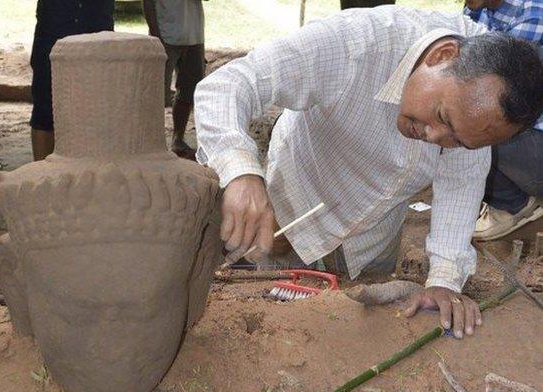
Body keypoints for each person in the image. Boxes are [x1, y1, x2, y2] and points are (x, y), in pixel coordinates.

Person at [194, 6, 543, 338]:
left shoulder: (480, 101)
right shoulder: (356, 43)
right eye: (442, 117)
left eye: (458, 141)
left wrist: (444, 281)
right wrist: (241, 173)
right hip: (291, 212)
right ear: (441, 56)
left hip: (371, 239)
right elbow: (229, 85)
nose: (436, 139)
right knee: (273, 317)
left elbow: (461, 183)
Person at [464, 0, 543, 240]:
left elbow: (486, 83)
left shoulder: (535, 11)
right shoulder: (477, 6)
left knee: (465, 128)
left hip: (536, 139)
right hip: (526, 134)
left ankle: (512, 206)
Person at [30, 0, 114, 161]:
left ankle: (87, 176)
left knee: (96, 112)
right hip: (52, 38)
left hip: (97, 42)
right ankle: (41, 175)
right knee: (45, 112)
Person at [143, 0, 205, 160]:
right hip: (165, 36)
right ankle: (152, 144)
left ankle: (178, 139)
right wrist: (155, 34)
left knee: (189, 90)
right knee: (155, 94)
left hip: (194, 35)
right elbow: (148, 3)